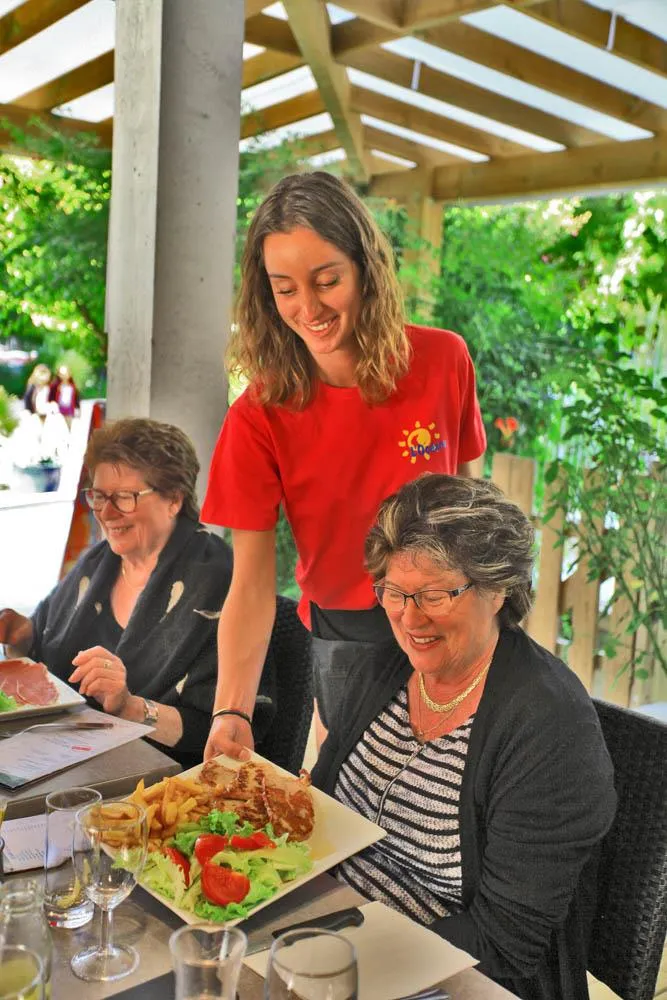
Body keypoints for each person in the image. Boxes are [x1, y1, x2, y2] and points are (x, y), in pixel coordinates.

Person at [201, 171, 486, 761]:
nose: (308, 308)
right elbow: (251, 582)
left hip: (453, 613)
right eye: (285, 289)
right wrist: (231, 710)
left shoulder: (442, 360)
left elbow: (472, 513)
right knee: (355, 797)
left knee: (460, 798)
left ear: (365, 269)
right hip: (349, 632)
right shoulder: (259, 416)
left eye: (327, 280)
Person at [311, 474, 617, 1000]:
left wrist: (348, 963)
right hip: (330, 929)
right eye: (393, 591)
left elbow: (505, 942)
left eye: (434, 594)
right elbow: (322, 802)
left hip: (449, 976)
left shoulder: (550, 728)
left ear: (497, 588)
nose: (409, 617)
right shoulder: (384, 667)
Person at [0, 418, 275, 765]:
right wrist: (19, 633)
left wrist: (129, 705)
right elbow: (43, 649)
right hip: (65, 757)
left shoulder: (218, 582)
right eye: (99, 496)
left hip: (164, 779)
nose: (107, 513)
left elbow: (216, 726)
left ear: (174, 499)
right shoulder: (99, 563)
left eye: (125, 497)